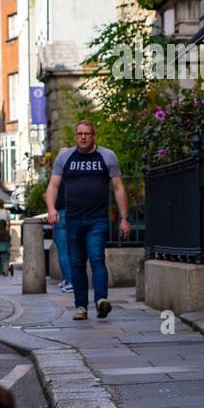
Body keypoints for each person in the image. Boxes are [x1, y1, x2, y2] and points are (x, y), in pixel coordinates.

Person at [46, 120, 131, 320]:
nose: (83, 137)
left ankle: (101, 300)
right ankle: (81, 307)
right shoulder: (65, 157)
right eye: (79, 134)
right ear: (75, 136)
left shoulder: (107, 156)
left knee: (96, 259)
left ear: (94, 136)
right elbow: (53, 186)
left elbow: (119, 188)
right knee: (76, 264)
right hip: (73, 219)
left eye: (87, 134)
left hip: (97, 219)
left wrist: (124, 219)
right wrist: (51, 208)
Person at [0, 198, 12, 276]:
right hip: (5, 231)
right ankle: (6, 268)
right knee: (5, 255)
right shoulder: (7, 212)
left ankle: (0, 271)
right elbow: (9, 223)